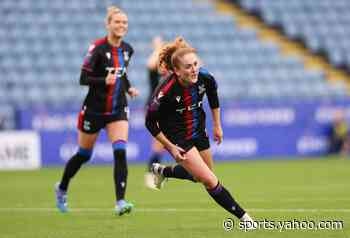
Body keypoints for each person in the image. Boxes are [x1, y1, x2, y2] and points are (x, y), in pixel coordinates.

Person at [145, 37, 254, 224]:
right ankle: (245, 218)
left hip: (199, 130)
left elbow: (213, 97)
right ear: (177, 71)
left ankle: (162, 172)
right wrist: (170, 147)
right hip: (178, 137)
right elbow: (149, 122)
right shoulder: (165, 91)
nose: (194, 68)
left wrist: (217, 125)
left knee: (200, 177)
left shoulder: (205, 77)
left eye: (195, 64)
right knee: (210, 180)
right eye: (188, 66)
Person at [55, 6, 139, 216]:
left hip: (117, 109)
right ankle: (62, 187)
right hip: (94, 109)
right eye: (117, 22)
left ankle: (120, 201)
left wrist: (128, 88)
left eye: (124, 23)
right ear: (108, 24)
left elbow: (122, 74)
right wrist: (104, 80)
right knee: (84, 154)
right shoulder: (97, 49)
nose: (121, 26)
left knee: (120, 151)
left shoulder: (128, 49)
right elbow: (83, 79)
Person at [144, 36, 167, 189]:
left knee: (165, 144)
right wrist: (158, 47)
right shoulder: (155, 72)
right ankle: (151, 174)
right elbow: (150, 63)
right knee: (159, 144)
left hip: (169, 110)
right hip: (155, 109)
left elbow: (197, 65)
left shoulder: (174, 73)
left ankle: (157, 173)